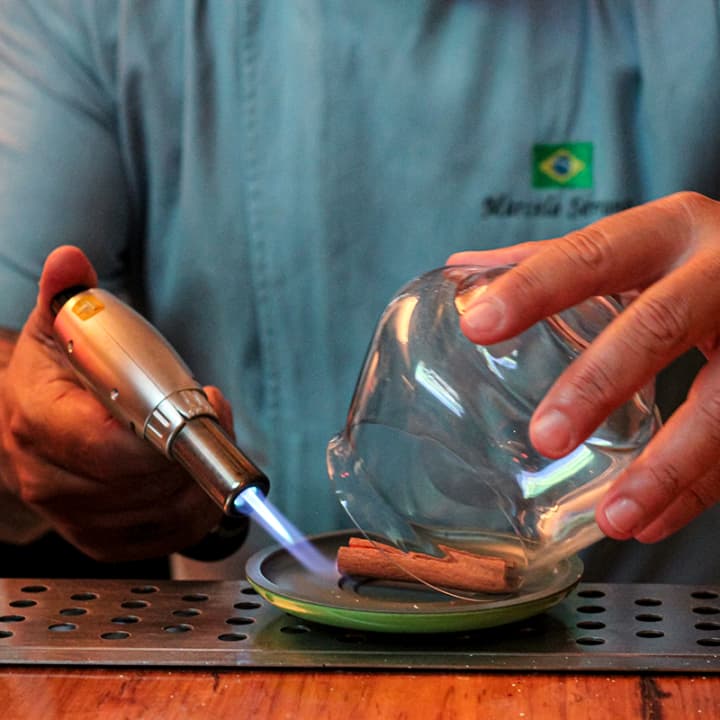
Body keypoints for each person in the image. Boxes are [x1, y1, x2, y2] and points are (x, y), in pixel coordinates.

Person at [0, 0, 718, 582]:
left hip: (645, 640)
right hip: (253, 654)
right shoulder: (94, 15)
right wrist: (42, 441)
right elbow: (18, 365)